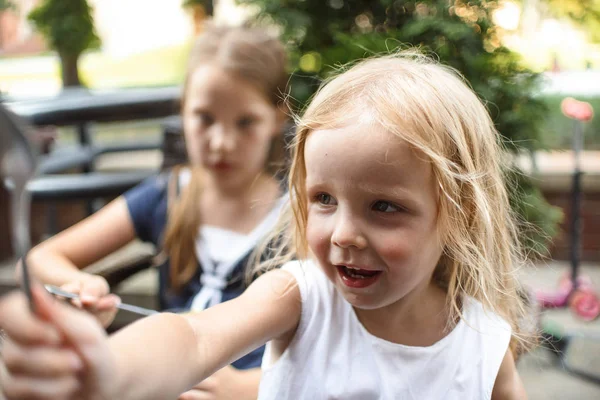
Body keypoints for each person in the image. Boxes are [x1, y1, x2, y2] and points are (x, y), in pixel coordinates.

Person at [0, 51, 531, 400]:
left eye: (384, 207)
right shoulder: (300, 296)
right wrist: (106, 370)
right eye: (323, 198)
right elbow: (190, 336)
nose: (343, 233)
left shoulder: (484, 349)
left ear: (457, 212)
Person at [8, 24, 290, 400]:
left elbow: (338, 337)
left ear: (278, 117)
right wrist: (81, 287)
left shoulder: (299, 214)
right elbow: (39, 259)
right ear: (183, 110)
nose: (221, 142)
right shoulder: (166, 195)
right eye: (205, 118)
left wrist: (247, 387)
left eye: (245, 122)